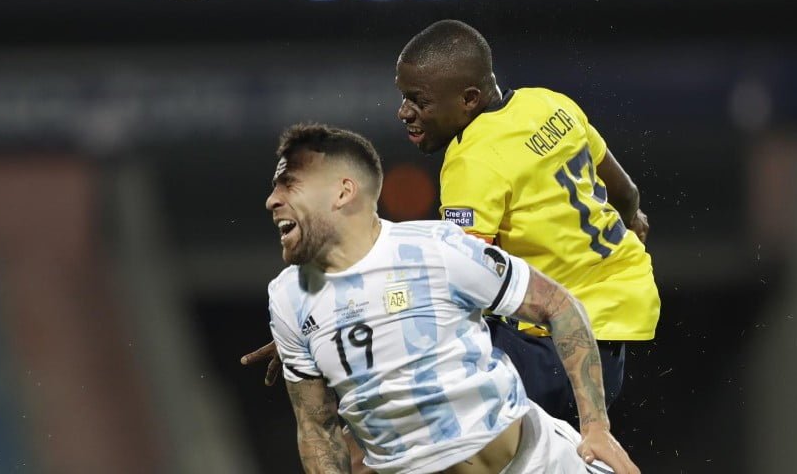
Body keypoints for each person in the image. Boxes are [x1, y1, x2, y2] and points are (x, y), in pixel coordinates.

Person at [245, 20, 660, 424]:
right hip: (613, 334)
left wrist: (323, 329)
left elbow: (459, 282)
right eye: (403, 96)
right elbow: (627, 195)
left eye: (418, 101)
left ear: (469, 99)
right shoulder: (549, 104)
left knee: (389, 383)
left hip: (553, 352)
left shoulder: (473, 160)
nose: (404, 112)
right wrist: (631, 223)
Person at [262, 123, 638, 474]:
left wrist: (595, 428)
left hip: (540, 463)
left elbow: (559, 306)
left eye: (289, 185)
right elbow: (317, 428)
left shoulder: (437, 250)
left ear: (343, 192)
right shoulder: (288, 299)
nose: (272, 201)